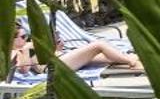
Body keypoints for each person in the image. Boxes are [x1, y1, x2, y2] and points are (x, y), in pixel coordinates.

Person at [9, 26, 143, 78]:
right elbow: (24, 70)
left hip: (61, 58)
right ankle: (131, 61)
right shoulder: (15, 51)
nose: (26, 38)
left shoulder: (27, 45)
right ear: (12, 39)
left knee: (108, 58)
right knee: (99, 45)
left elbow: (45, 54)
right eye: (22, 37)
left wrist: (55, 47)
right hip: (55, 66)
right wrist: (24, 50)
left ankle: (138, 63)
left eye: (26, 35)